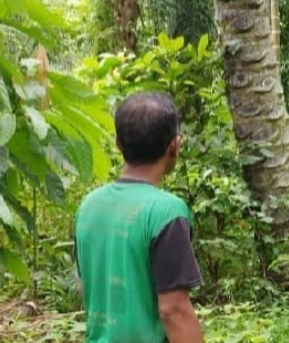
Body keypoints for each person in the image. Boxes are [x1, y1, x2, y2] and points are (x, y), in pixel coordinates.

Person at [75, 92, 205, 343]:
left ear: (118, 143)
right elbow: (174, 311)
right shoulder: (166, 212)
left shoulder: (89, 206)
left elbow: (88, 284)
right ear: (174, 145)